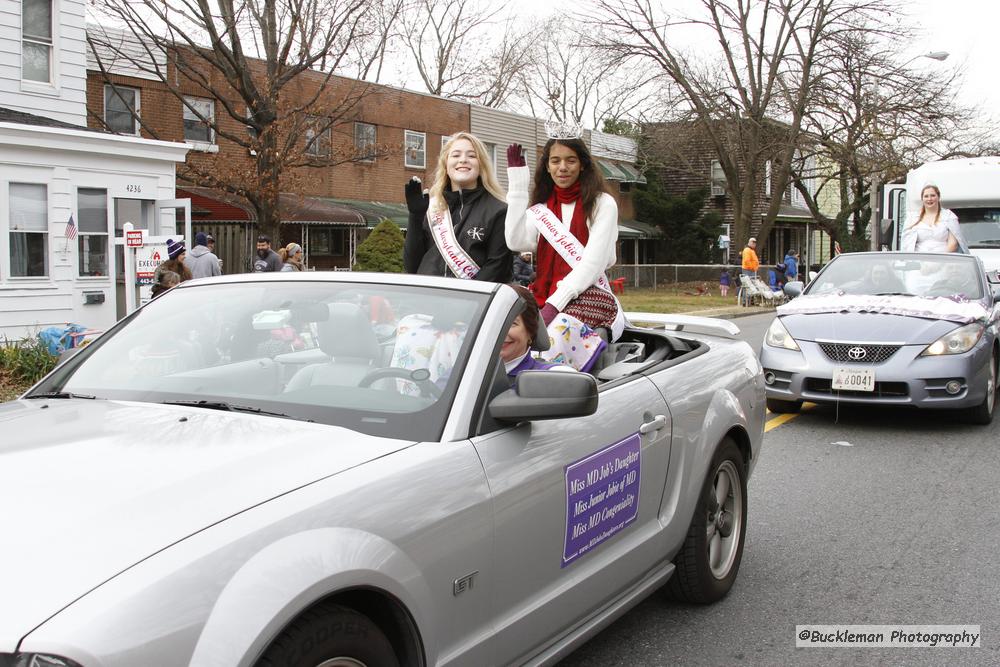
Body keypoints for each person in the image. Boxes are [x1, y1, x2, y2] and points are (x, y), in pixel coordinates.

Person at [505, 134, 622, 371]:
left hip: (590, 294)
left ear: (582, 165)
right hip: (545, 292)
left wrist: (553, 306)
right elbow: (515, 241)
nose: (562, 168)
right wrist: (518, 186)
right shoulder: (543, 207)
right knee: (508, 332)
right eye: (555, 161)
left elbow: (592, 264)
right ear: (547, 166)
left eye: (571, 160)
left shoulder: (603, 203)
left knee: (551, 341)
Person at [403, 132, 511, 282]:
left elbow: (497, 267)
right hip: (427, 297)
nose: (463, 160)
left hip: (473, 301)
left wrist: (462, 300)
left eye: (472, 156)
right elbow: (412, 266)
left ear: (482, 164)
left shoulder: (499, 210)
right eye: (455, 155)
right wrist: (415, 216)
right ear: (445, 164)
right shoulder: (431, 208)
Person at [503, 284, 569, 378]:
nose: (500, 332)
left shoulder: (553, 376)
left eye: (512, 323)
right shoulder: (475, 372)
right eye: (492, 322)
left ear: (530, 332)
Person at [901, 184, 968, 253]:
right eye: (926, 196)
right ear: (922, 199)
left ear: (938, 197)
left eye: (933, 195)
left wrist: (941, 261)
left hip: (944, 260)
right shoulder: (912, 218)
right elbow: (907, 244)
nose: (929, 199)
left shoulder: (949, 216)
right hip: (919, 261)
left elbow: (953, 244)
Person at [740, 237, 759, 305]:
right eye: (753, 242)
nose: (754, 244)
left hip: (751, 270)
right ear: (750, 242)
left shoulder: (751, 250)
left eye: (755, 243)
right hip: (748, 270)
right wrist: (753, 268)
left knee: (752, 285)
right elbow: (747, 261)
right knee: (747, 285)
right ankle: (746, 301)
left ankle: (751, 300)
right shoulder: (747, 250)